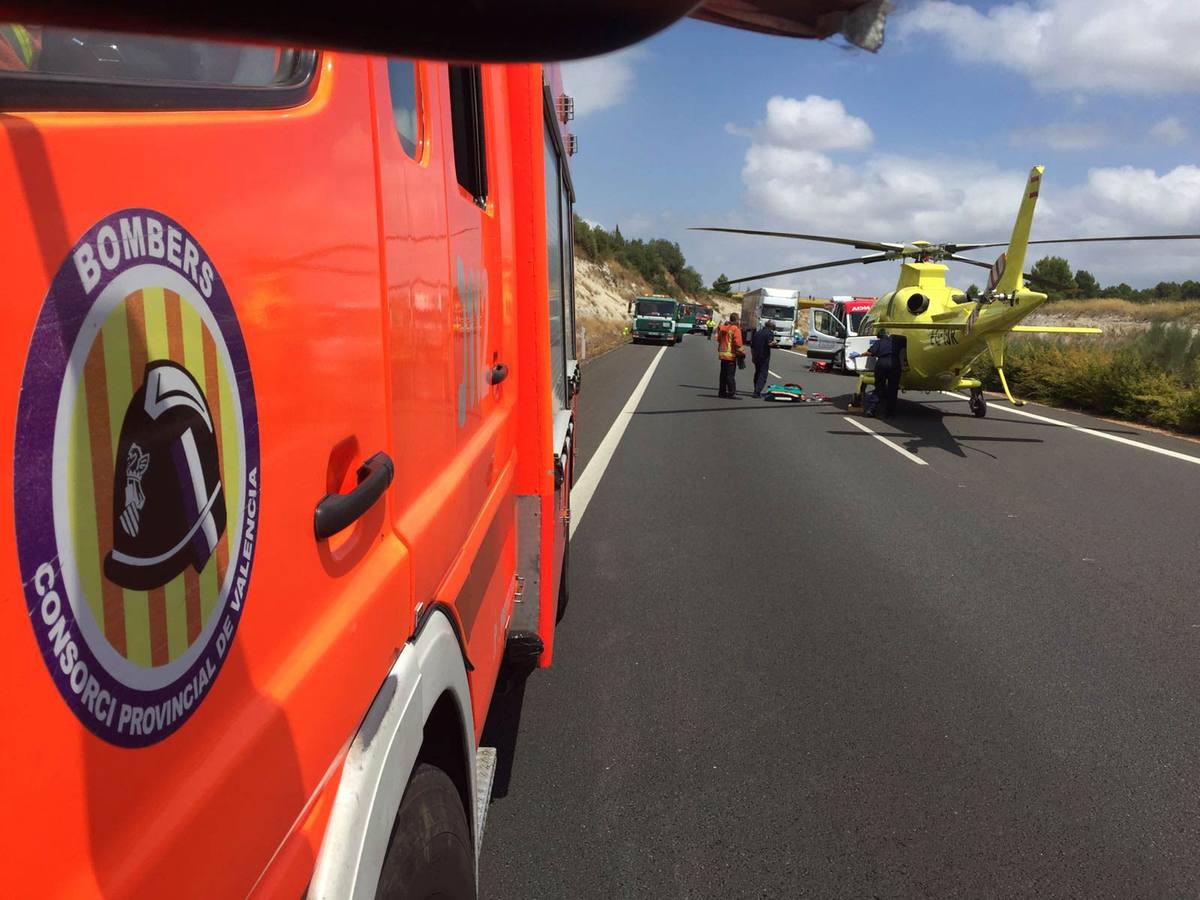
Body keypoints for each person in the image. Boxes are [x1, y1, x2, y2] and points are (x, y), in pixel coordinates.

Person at [865, 328, 907, 416]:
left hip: (882, 364)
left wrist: (859, 354)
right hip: (894, 364)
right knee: (893, 389)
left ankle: (871, 409)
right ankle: (889, 412)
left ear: (879, 336)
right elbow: (906, 342)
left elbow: (870, 353)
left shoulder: (879, 342)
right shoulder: (896, 341)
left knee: (879, 387)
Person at [716, 313, 744, 398]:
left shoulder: (723, 328)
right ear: (736, 320)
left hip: (723, 354)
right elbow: (737, 343)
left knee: (723, 375)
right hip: (731, 355)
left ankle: (722, 392)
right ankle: (731, 392)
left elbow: (718, 339)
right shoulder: (735, 329)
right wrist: (742, 353)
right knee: (730, 375)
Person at [750, 320, 774, 397]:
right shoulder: (769, 333)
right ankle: (757, 391)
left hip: (756, 355)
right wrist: (775, 343)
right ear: (770, 326)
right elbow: (769, 343)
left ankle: (755, 388)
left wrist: (753, 356)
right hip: (764, 356)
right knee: (763, 373)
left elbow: (752, 346)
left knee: (757, 372)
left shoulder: (757, 333)